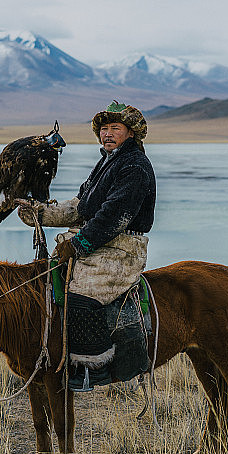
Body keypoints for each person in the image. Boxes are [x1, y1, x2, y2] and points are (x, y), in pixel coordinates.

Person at [18, 100, 156, 390]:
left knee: (79, 294)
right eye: (104, 129)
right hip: (100, 242)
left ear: (131, 133)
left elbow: (114, 215)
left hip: (121, 250)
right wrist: (39, 212)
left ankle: (92, 368)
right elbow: (82, 207)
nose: (107, 134)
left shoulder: (135, 166)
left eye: (115, 128)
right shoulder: (107, 162)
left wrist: (79, 243)